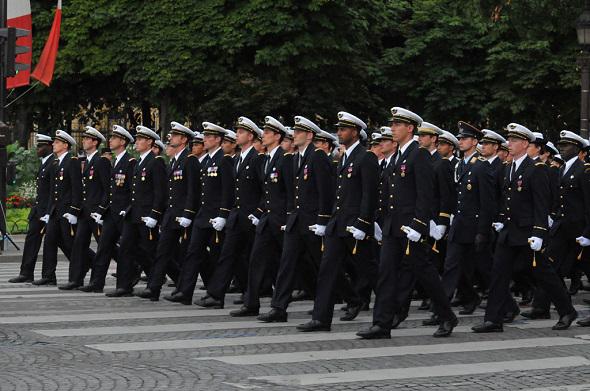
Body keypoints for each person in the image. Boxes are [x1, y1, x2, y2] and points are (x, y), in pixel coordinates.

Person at [357, 107, 458, 339]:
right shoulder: (399, 156)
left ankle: (446, 316)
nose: (392, 128)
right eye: (392, 125)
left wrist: (419, 224)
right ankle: (381, 324)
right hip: (394, 226)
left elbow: (425, 194)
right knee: (386, 274)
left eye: (397, 125)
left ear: (410, 128)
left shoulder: (418, 154)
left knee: (425, 274)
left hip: (410, 227)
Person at [472, 123, 577, 332]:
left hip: (528, 232)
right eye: (508, 140)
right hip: (510, 231)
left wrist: (539, 233)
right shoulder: (507, 167)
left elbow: (540, 203)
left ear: (525, 143)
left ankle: (567, 310)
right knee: (498, 274)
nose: (509, 144)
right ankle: (493, 319)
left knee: (544, 274)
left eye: (514, 141)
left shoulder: (535, 169)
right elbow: (505, 199)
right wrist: (501, 218)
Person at [297, 111, 378, 331]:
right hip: (338, 224)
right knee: (327, 270)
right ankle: (321, 319)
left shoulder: (366, 156)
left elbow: (369, 195)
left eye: (343, 129)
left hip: (355, 226)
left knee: (371, 270)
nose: (339, 133)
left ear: (355, 132)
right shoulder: (345, 157)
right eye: (339, 129)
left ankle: (393, 306)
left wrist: (363, 223)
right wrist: (327, 221)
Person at [257, 115, 333, 323]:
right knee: (287, 263)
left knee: (323, 264)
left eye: (298, 132)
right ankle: (279, 308)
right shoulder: (297, 157)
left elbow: (326, 192)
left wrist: (323, 220)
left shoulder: (317, 156)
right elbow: (293, 192)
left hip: (312, 222)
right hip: (296, 220)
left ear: (309, 135)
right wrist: (290, 215)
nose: (294, 135)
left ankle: (350, 297)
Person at [195, 117, 264, 308]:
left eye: (241, 132)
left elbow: (265, 191)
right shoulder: (238, 159)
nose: (237, 135)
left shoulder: (257, 159)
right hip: (236, 217)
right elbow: (233, 191)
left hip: (252, 219)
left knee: (254, 260)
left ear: (250, 136)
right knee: (228, 256)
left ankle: (253, 299)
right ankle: (216, 295)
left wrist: (258, 213)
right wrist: (226, 214)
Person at [165, 122, 234, 304]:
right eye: (205, 136)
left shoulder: (224, 159)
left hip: (217, 217)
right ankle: (185, 292)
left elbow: (228, 191)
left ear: (218, 139)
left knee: (220, 256)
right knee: (192, 252)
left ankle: (217, 295)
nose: (204, 139)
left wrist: (223, 214)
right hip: (203, 216)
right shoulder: (207, 161)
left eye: (209, 136)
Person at [231, 116, 291, 316]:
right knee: (257, 260)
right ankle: (252, 303)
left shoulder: (285, 158)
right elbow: (266, 191)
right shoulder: (266, 159)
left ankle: (348, 295)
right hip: (267, 219)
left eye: (266, 133)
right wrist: (260, 212)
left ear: (277, 136)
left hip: (282, 220)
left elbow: (291, 193)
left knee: (297, 262)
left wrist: (288, 218)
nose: (263, 136)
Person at [137, 122, 200, 301]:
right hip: (171, 215)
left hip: (184, 216)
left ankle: (185, 292)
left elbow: (192, 191)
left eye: (174, 135)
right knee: (162, 252)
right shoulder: (174, 161)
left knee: (188, 255)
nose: (170, 138)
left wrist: (188, 214)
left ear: (183, 139)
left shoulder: (190, 160)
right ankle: (154, 288)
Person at [106, 125, 167, 297]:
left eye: (140, 139)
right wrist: (128, 210)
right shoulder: (140, 161)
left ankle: (154, 287)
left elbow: (160, 192)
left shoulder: (156, 162)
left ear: (149, 142)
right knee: (126, 248)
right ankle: (124, 286)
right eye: (137, 139)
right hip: (133, 214)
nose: (137, 142)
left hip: (147, 215)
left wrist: (155, 214)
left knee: (150, 251)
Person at [79, 125, 136, 292]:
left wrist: (129, 208)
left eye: (114, 138)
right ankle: (97, 283)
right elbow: (111, 190)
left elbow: (132, 190)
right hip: (111, 212)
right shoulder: (116, 161)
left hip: (124, 213)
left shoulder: (130, 162)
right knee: (103, 247)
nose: (110, 140)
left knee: (131, 249)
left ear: (123, 141)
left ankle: (127, 282)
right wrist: (102, 210)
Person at [60, 126, 111, 290]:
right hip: (85, 212)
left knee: (106, 246)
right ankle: (75, 279)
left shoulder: (101, 161)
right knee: (78, 246)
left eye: (88, 139)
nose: (84, 141)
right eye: (84, 138)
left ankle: (131, 269)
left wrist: (101, 210)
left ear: (95, 142)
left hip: (96, 212)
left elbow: (107, 189)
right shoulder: (88, 161)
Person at [34, 130, 81, 286]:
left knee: (70, 243)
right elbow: (53, 191)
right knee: (49, 242)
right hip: (55, 211)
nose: (53, 144)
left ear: (65, 145)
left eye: (57, 142)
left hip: (67, 211)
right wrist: (48, 212)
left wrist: (74, 210)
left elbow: (76, 188)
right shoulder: (55, 162)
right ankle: (48, 275)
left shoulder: (71, 161)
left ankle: (81, 271)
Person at [9, 134, 54, 283]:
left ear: (49, 147)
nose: (37, 149)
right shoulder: (44, 163)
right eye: (38, 146)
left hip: (48, 211)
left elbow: (54, 191)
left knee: (66, 243)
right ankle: (26, 272)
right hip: (38, 210)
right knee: (31, 240)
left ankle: (91, 263)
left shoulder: (53, 163)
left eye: (41, 146)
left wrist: (48, 212)